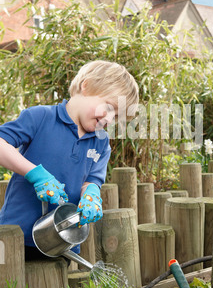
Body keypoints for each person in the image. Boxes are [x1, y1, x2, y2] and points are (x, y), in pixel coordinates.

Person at [0, 60, 139, 261]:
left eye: (116, 116)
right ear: (86, 85)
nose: (109, 119)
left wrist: (91, 193)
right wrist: (36, 174)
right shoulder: (40, 117)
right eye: (109, 108)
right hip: (15, 236)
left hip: (61, 243)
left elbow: (91, 180)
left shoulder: (101, 143)